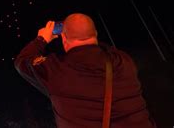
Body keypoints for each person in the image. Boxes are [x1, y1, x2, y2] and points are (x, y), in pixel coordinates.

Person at [14, 13, 156, 128]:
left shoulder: (56, 70)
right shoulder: (123, 61)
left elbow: (22, 61)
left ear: (63, 38)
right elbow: (104, 48)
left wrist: (41, 39)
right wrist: (84, 32)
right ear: (95, 33)